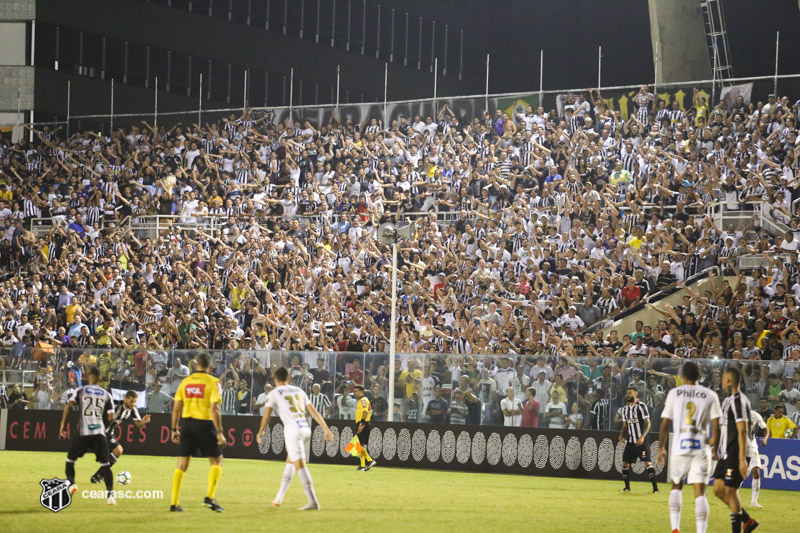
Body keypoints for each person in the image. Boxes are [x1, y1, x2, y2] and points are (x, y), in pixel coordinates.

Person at [657, 361, 722, 533]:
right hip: (701, 448)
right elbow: (717, 424)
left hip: (680, 447)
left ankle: (675, 528)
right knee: (700, 491)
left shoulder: (674, 393)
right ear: (700, 375)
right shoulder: (709, 394)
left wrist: (661, 447)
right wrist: (714, 446)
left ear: (682, 375)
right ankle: (700, 531)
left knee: (676, 485)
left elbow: (665, 423)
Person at [256, 367, 334, 510]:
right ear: (289, 378)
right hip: (305, 428)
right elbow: (313, 410)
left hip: (293, 431)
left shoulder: (274, 393)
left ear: (274, 379)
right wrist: (326, 429)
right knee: (290, 461)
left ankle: (313, 501)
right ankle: (279, 497)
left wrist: (260, 431)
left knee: (300, 466)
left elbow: (267, 415)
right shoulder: (299, 391)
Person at [169, 352, 227, 513]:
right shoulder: (214, 382)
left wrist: (174, 429)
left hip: (187, 424)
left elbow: (176, 407)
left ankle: (174, 503)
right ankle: (209, 497)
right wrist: (220, 431)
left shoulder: (185, 381)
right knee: (217, 461)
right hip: (204, 424)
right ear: (211, 366)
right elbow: (215, 408)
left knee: (182, 463)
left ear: (196, 365)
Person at [58, 367, 116, 505]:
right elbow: (112, 416)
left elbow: (68, 406)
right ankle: (110, 496)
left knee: (70, 461)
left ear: (89, 378)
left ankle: (72, 484)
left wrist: (62, 425)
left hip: (84, 432)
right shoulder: (106, 394)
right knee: (105, 465)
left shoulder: (80, 390)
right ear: (100, 379)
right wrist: (104, 427)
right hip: (99, 433)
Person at [712, 366, 759, 533]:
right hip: (725, 452)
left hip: (736, 452)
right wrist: (715, 447)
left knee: (731, 491)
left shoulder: (740, 401)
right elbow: (724, 427)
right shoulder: (727, 400)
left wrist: (741, 460)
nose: (722, 381)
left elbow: (742, 431)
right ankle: (748, 521)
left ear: (729, 380)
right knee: (718, 490)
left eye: (724, 378)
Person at [90, 390, 151, 484]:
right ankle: (99, 475)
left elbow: (138, 424)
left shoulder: (133, 410)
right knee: (118, 450)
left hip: (109, 432)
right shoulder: (114, 404)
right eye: (131, 401)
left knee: (116, 453)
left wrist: (144, 422)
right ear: (126, 399)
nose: (133, 404)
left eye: (135, 401)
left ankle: (98, 476)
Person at [619, 385, 658, 493]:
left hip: (641, 442)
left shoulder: (641, 406)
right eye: (627, 393)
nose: (628, 395)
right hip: (631, 442)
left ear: (636, 394)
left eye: (630, 393)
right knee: (625, 464)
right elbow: (625, 425)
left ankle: (655, 489)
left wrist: (642, 437)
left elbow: (648, 423)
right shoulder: (625, 409)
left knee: (647, 463)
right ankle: (627, 487)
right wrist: (621, 435)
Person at [746, 410, 768, 509]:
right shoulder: (735, 414)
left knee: (756, 471)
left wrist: (765, 438)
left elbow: (766, 429)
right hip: (739, 446)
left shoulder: (755, 415)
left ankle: (754, 501)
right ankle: (733, 496)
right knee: (740, 474)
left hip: (752, 447)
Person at [352, 385, 377, 471]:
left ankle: (370, 460)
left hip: (363, 423)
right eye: (354, 391)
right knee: (360, 445)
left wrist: (361, 424)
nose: (355, 393)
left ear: (361, 391)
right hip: (362, 423)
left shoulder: (363, 400)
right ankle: (362, 465)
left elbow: (365, 411)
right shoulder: (362, 400)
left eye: (356, 391)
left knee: (358, 444)